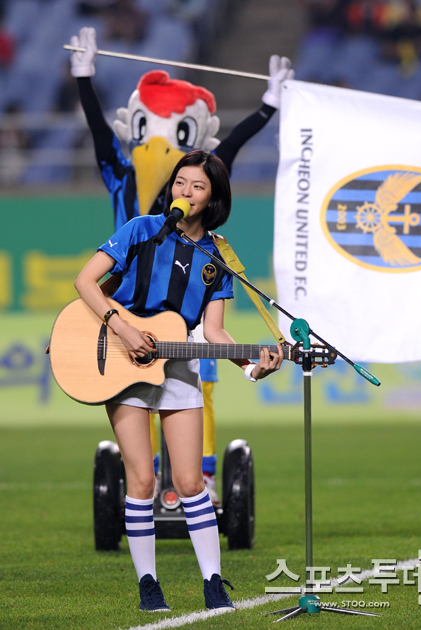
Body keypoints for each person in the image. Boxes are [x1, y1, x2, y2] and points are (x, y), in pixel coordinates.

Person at [69, 25, 293, 505]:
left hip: (185, 312)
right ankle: (145, 480)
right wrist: (84, 76)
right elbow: (98, 132)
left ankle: (200, 479)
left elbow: (228, 150)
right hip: (128, 313)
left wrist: (268, 106)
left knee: (202, 383)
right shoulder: (123, 178)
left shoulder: (200, 186)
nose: (187, 188)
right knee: (135, 394)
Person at [74, 149, 283, 612]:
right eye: (180, 183)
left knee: (191, 483)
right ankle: (149, 584)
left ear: (213, 199)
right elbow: (85, 282)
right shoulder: (139, 230)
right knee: (142, 481)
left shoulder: (217, 256)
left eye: (197, 187)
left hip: (179, 367)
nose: (185, 193)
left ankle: (213, 583)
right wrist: (125, 330)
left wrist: (252, 365)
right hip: (121, 363)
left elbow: (213, 333)